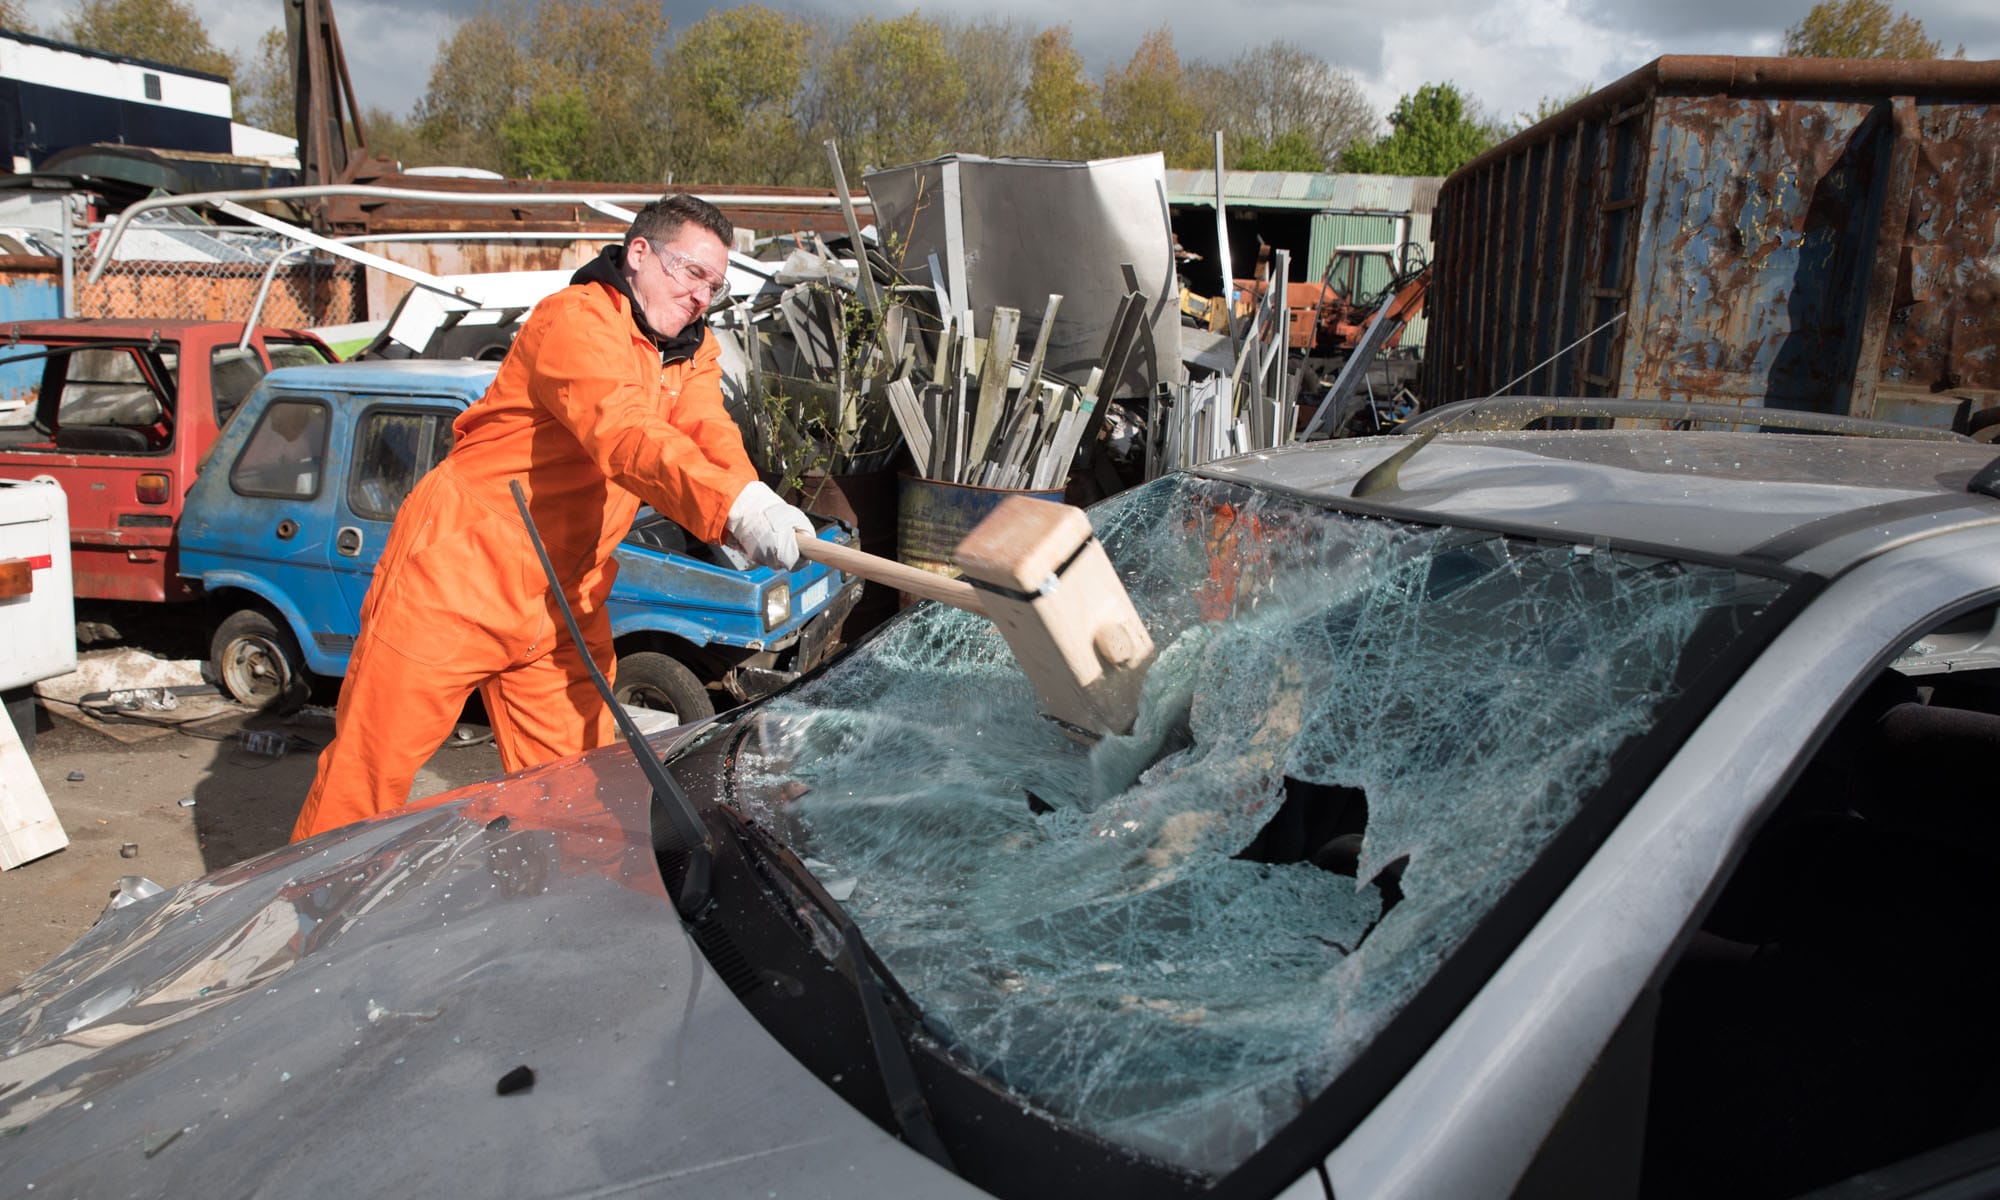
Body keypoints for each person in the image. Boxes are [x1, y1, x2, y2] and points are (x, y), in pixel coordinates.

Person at [290, 194, 810, 842]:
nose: (701, 295)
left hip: (565, 596)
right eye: (690, 272)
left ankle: (570, 921)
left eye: (715, 283)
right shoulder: (576, 322)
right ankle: (315, 925)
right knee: (369, 775)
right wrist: (727, 505)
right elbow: (622, 432)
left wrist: (752, 498)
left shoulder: (689, 353)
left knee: (581, 786)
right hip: (460, 574)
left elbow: (707, 434)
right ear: (639, 254)